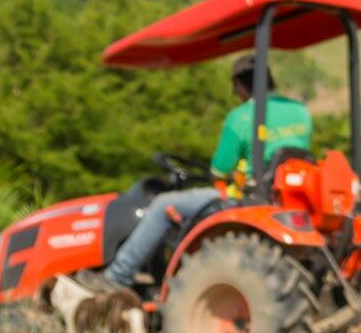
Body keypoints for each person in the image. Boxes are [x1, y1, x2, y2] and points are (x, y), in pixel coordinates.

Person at [72, 54, 312, 298]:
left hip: (243, 198)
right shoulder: (299, 111)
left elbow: (219, 169)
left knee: (163, 204)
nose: (235, 93)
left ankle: (117, 275)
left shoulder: (242, 117)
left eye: (235, 87)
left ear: (241, 85)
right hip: (281, 197)